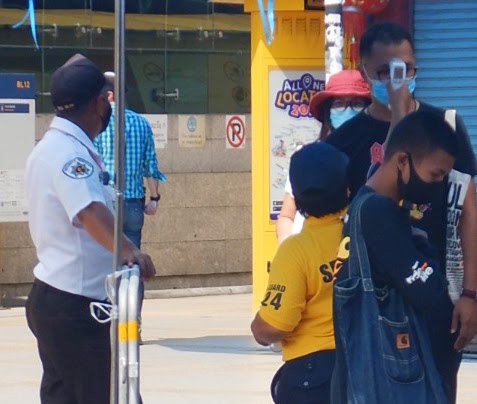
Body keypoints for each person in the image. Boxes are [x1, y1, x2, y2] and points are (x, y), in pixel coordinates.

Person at [325, 22, 477, 399]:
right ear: (364, 71)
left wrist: (470, 293)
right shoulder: (345, 139)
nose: (398, 79)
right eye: (385, 71)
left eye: (406, 69)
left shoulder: (443, 127)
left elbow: (468, 211)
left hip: (437, 296)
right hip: (377, 308)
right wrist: (397, 115)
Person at [24, 54, 156, 404]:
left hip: (57, 299)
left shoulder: (52, 147)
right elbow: (89, 212)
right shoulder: (70, 155)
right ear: (99, 103)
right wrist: (129, 250)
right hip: (73, 306)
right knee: (105, 395)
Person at [332, 110, 459, 403]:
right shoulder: (379, 212)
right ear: (402, 161)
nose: (438, 185)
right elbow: (426, 289)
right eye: (435, 175)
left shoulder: (364, 205)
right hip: (388, 382)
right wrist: (423, 245)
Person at [251, 142, 349, 404]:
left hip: (311, 374)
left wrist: (257, 327)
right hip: (362, 365)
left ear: (296, 196)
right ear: (347, 188)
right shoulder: (362, 234)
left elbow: (275, 324)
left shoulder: (297, 250)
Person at [94, 71, 166, 340]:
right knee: (133, 264)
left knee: (106, 263)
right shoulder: (141, 123)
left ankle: (108, 323)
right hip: (135, 204)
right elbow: (151, 167)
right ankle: (132, 326)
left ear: (108, 95)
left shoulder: (97, 122)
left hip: (106, 203)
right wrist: (154, 199)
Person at [276, 69, 370, 245]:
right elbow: (287, 216)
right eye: (339, 103)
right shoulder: (306, 158)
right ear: (327, 111)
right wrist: (289, 249)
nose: (347, 110)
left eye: (357, 103)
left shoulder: (377, 159)